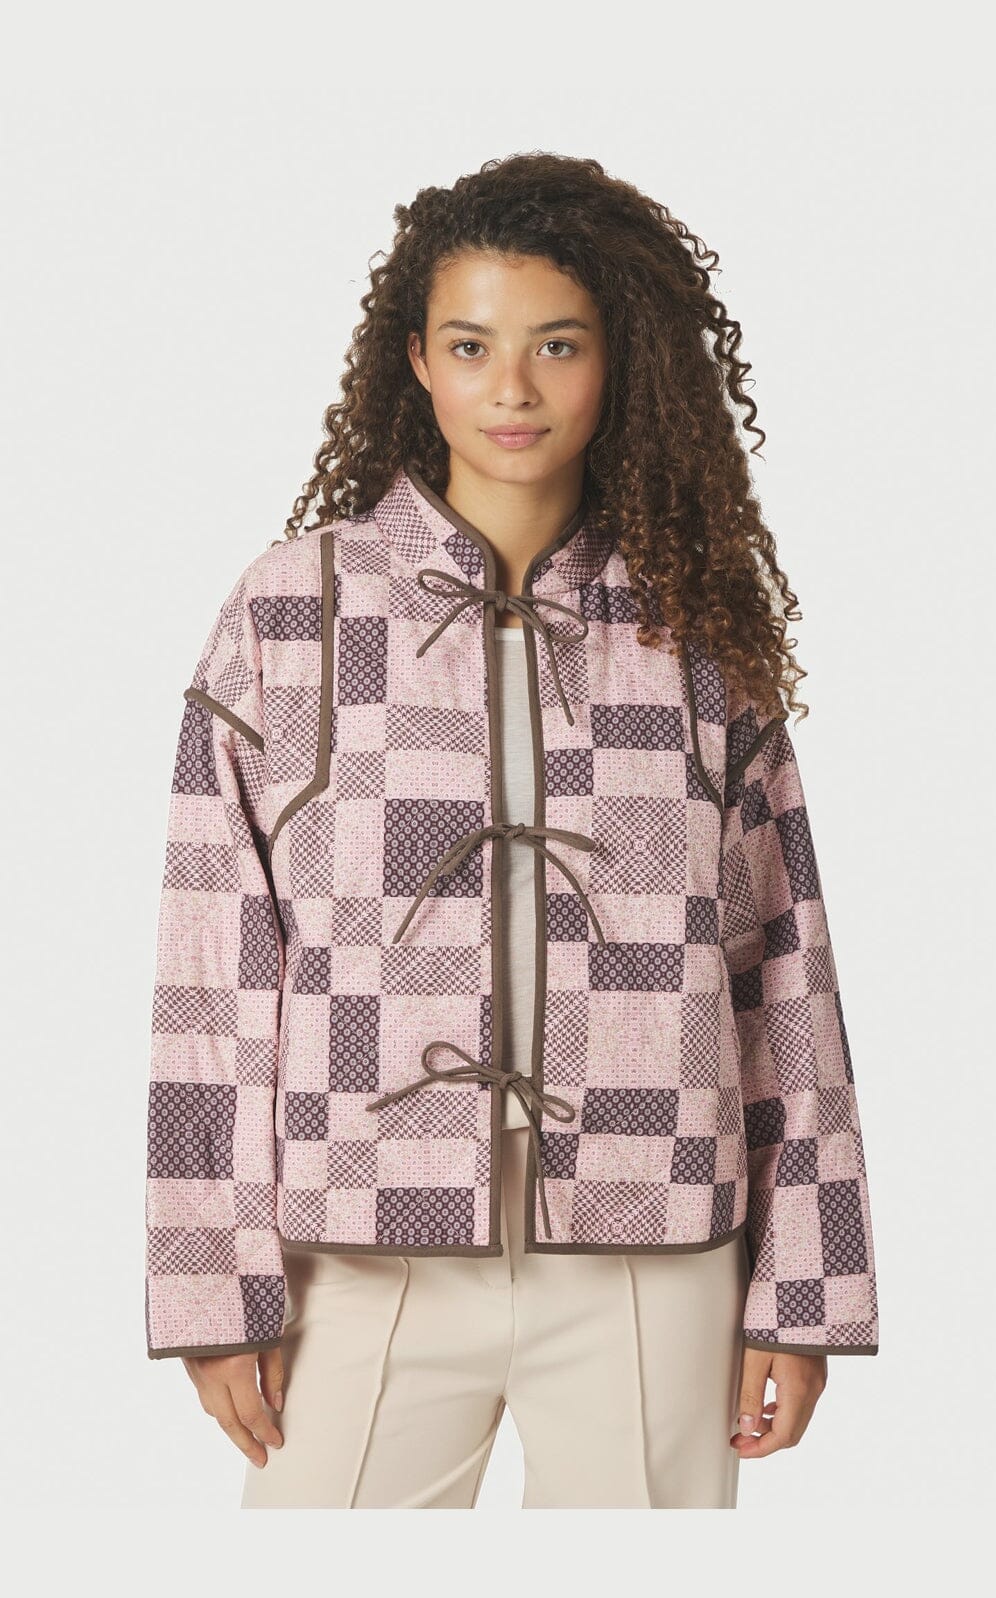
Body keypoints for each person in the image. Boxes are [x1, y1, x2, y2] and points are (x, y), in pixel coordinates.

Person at [143, 151, 879, 1509]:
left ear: (619, 360)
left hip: (652, 1243)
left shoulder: (695, 630)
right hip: (359, 1247)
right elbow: (213, 965)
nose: (514, 389)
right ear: (417, 362)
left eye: (558, 344)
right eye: (473, 345)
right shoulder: (291, 611)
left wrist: (806, 1281)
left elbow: (783, 967)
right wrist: (209, 1280)